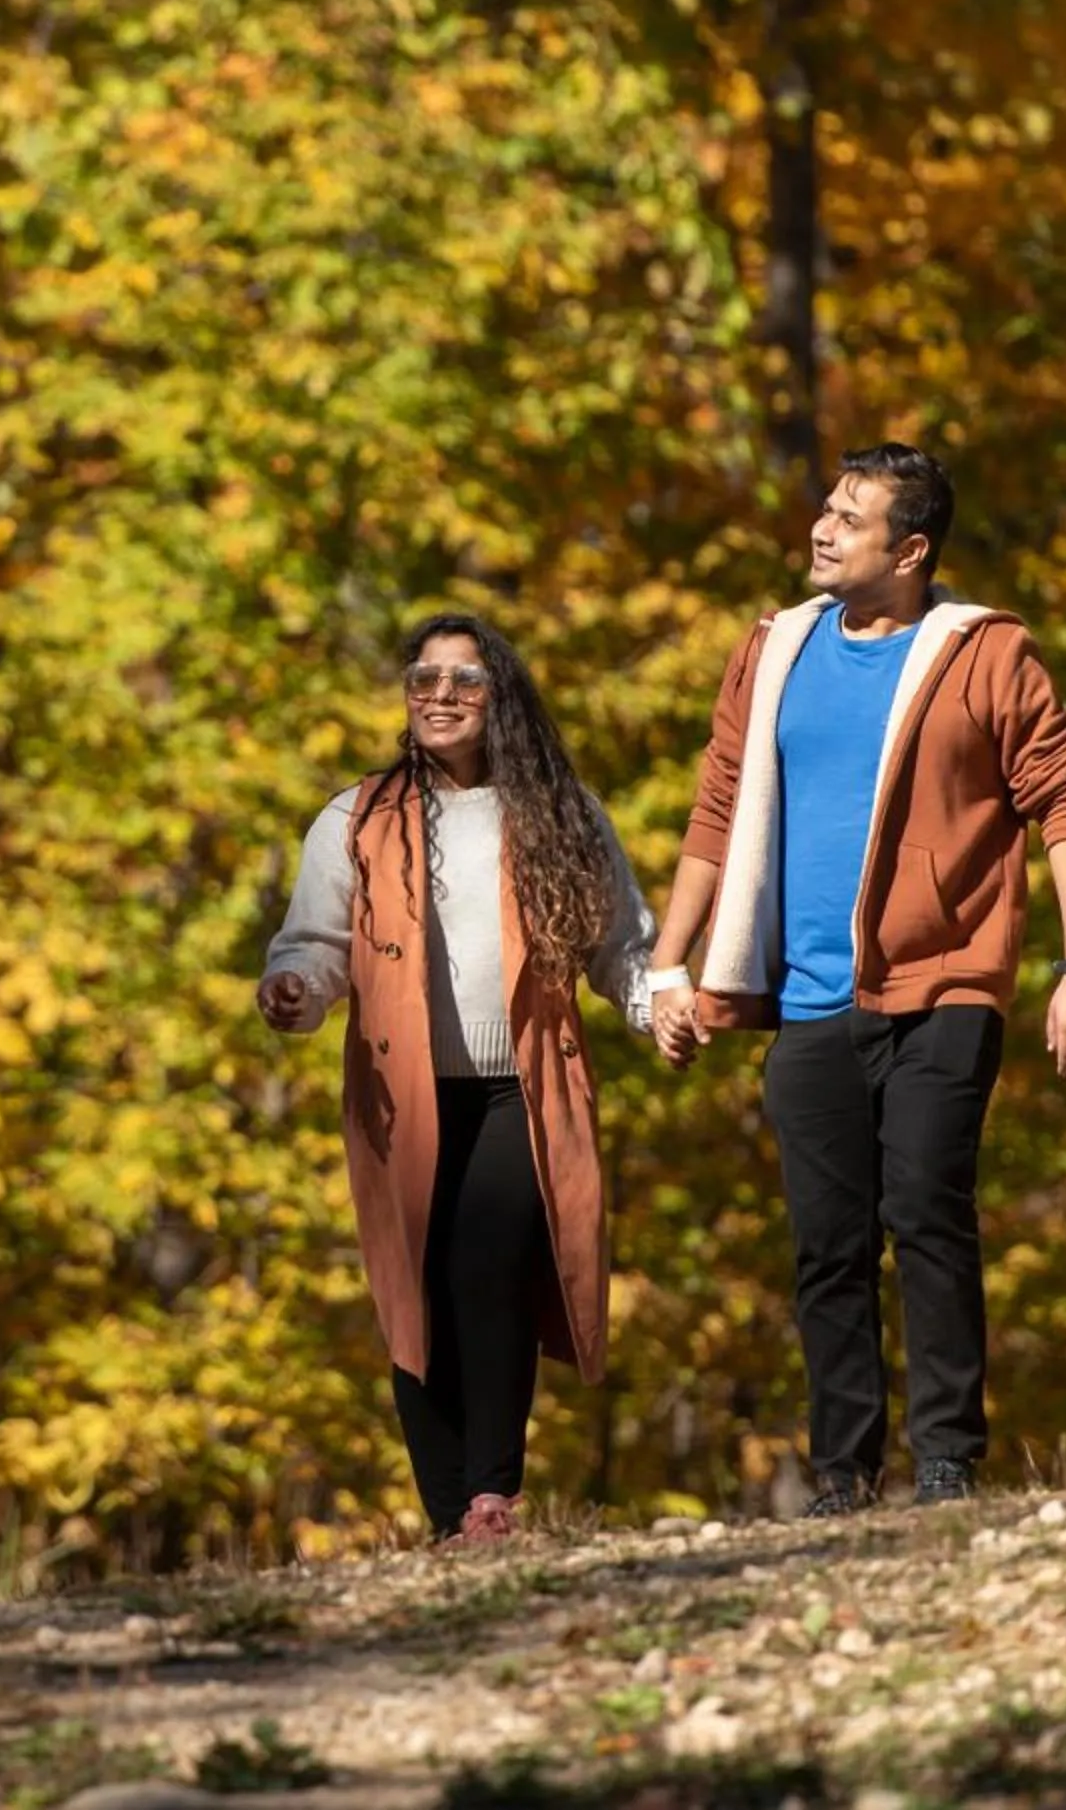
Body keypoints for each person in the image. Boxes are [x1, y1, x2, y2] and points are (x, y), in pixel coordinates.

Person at [646, 443, 1066, 1516]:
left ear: (910, 550)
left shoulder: (983, 652)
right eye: (825, 506)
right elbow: (717, 812)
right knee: (827, 1244)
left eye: (849, 518)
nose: (821, 526)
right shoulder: (773, 650)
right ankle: (842, 1475)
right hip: (809, 997)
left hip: (944, 983)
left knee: (928, 1209)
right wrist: (671, 965)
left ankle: (947, 1460)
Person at [258, 613, 680, 1544]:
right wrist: (294, 988)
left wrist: (659, 1011)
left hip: (519, 1088)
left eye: (465, 680)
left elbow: (621, 947)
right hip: (401, 1096)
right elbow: (317, 943)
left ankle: (492, 1492)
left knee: (490, 1272)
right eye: (424, 678)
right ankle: (448, 1509)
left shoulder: (561, 809)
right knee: (413, 1290)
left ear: (504, 701)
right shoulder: (357, 817)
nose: (440, 695)